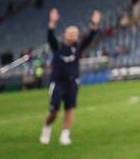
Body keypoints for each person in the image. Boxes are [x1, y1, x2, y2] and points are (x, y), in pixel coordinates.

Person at [40, 8, 101, 146]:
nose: (73, 35)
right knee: (54, 111)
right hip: (57, 82)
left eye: (75, 33)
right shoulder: (58, 47)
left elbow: (90, 37)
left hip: (72, 83)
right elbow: (50, 36)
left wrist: (94, 24)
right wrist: (52, 22)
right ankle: (47, 129)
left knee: (69, 109)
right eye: (71, 33)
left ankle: (65, 135)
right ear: (65, 35)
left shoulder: (78, 48)